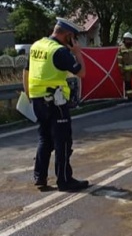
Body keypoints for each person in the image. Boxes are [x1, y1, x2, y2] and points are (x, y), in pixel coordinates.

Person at [23, 18, 89, 192]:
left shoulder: (37, 45)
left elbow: (26, 72)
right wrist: (77, 52)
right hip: (55, 103)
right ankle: (65, 180)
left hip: (38, 100)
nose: (73, 41)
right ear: (67, 35)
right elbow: (81, 72)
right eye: (72, 37)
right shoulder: (59, 51)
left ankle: (40, 177)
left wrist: (29, 95)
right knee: (63, 142)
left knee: (45, 139)